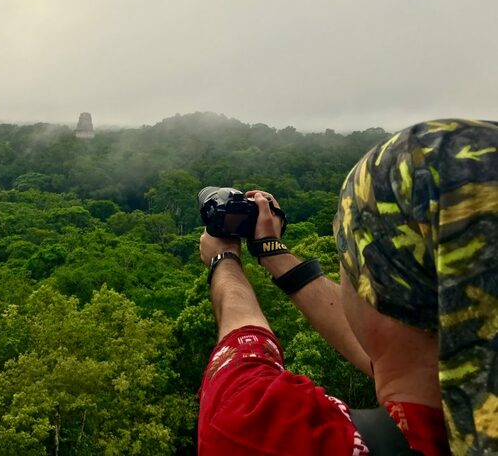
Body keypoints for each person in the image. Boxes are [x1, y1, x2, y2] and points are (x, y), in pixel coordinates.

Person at [198, 119, 497, 455]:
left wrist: (223, 258)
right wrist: (270, 250)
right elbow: (399, 352)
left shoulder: (296, 438)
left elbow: (236, 381)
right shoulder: (473, 396)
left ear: (382, 286)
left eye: (348, 255)